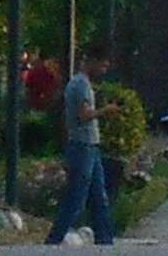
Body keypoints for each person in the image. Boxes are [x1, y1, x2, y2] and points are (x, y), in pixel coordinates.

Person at [49, 60, 121, 244]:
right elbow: (84, 115)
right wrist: (106, 110)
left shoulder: (84, 83)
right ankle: (54, 239)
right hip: (82, 145)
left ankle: (105, 239)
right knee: (76, 197)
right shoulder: (80, 84)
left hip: (91, 146)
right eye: (102, 65)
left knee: (99, 197)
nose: (104, 70)